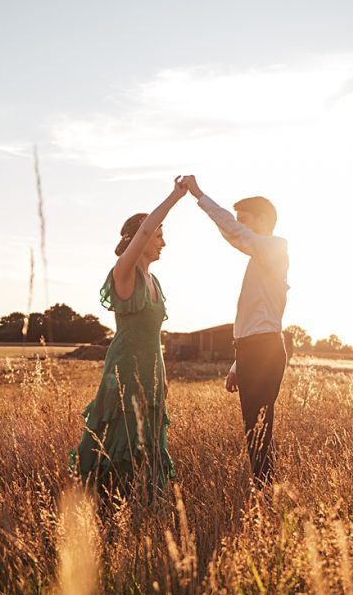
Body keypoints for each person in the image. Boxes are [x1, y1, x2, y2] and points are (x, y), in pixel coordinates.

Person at [69, 177, 187, 500]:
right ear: (142, 238)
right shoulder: (124, 273)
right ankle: (108, 503)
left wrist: (163, 376)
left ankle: (143, 505)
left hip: (151, 372)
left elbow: (154, 336)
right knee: (122, 440)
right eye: (159, 236)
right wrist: (175, 197)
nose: (162, 242)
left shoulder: (155, 281)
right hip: (124, 372)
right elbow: (148, 228)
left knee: (148, 442)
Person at [181, 175, 288, 488]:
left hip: (264, 349)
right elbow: (253, 318)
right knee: (253, 428)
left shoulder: (274, 248)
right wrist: (237, 364)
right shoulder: (260, 258)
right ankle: (264, 489)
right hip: (254, 350)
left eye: (245, 220)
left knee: (258, 428)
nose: (239, 226)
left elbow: (234, 231)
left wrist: (199, 195)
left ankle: (265, 492)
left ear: (263, 221)